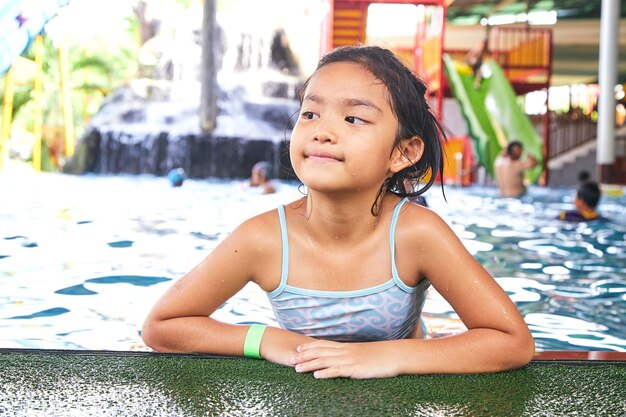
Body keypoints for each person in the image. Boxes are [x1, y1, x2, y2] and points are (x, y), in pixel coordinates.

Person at [142, 45, 534, 379]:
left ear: (403, 152)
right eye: (310, 114)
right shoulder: (263, 239)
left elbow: (511, 341)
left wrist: (386, 355)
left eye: (353, 118)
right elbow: (161, 326)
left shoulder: (416, 234)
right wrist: (268, 340)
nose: (322, 131)